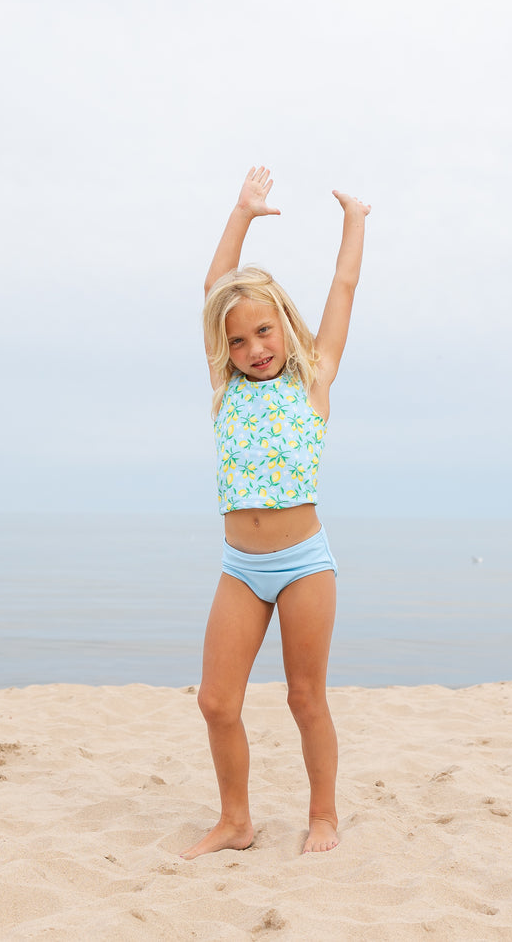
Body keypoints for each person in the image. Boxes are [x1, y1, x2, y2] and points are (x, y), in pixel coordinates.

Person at [180, 167, 370, 859]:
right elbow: (213, 289)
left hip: (301, 564)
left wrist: (354, 220)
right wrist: (242, 213)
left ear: (283, 326)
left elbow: (342, 289)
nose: (253, 349)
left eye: (262, 331)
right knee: (215, 701)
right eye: (237, 341)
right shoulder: (224, 387)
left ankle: (323, 814)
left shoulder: (312, 377)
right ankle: (236, 820)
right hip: (239, 566)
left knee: (304, 697)